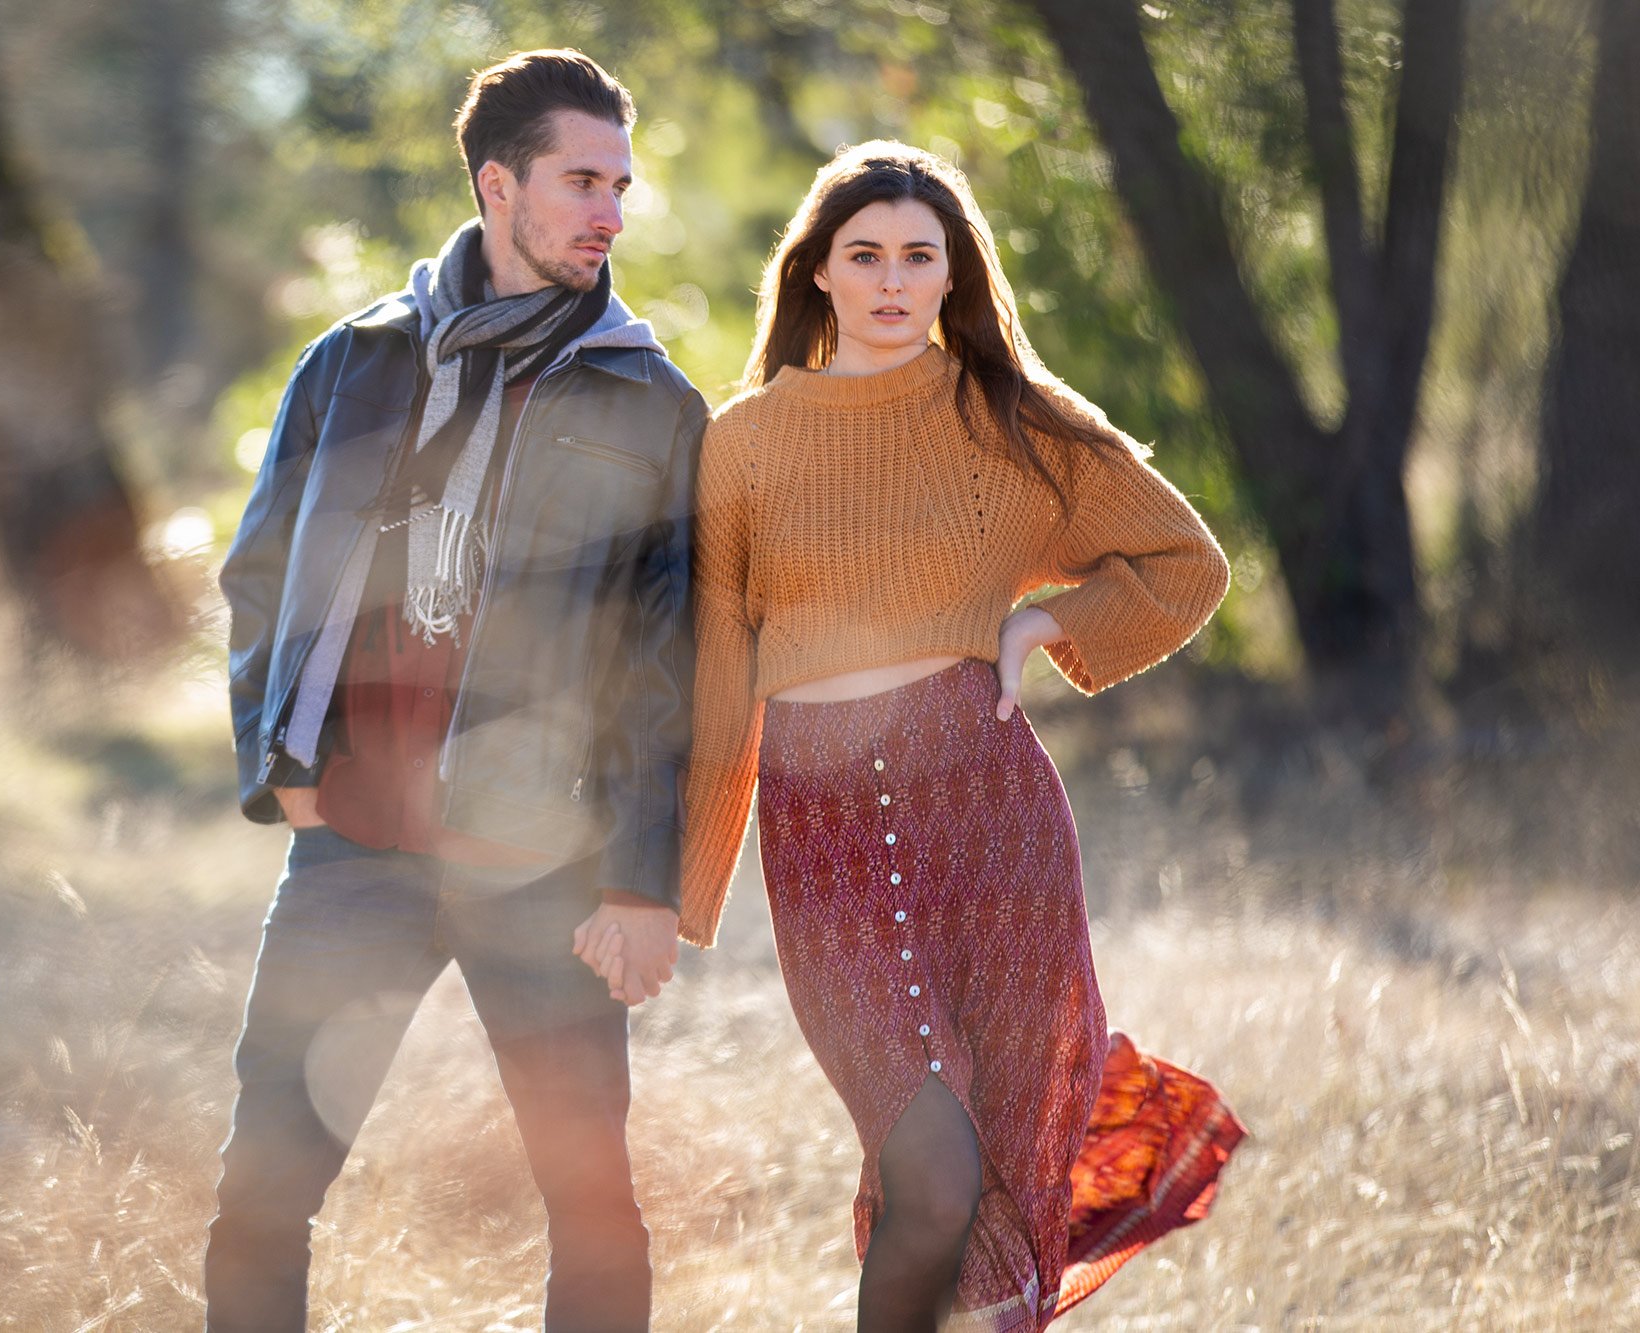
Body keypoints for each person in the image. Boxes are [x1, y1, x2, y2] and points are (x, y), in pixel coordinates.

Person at [669, 141, 1245, 1331]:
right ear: (816, 273)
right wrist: (674, 893)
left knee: (1004, 1147)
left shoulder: (1011, 417)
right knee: (930, 1169)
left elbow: (1186, 563)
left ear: (950, 276)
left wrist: (1046, 622)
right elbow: (720, 672)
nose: (889, 281)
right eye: (863, 255)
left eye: (916, 258)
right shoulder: (743, 442)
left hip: (986, 811)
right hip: (817, 830)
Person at [208, 49, 705, 1333]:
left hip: (542, 863)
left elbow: (664, 663)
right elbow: (261, 568)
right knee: (264, 1188)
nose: (609, 211)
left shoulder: (648, 397)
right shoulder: (357, 361)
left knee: (591, 1201)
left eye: (621, 184)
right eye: (579, 180)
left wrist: (641, 881)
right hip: (356, 849)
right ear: (498, 183)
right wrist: (283, 769)